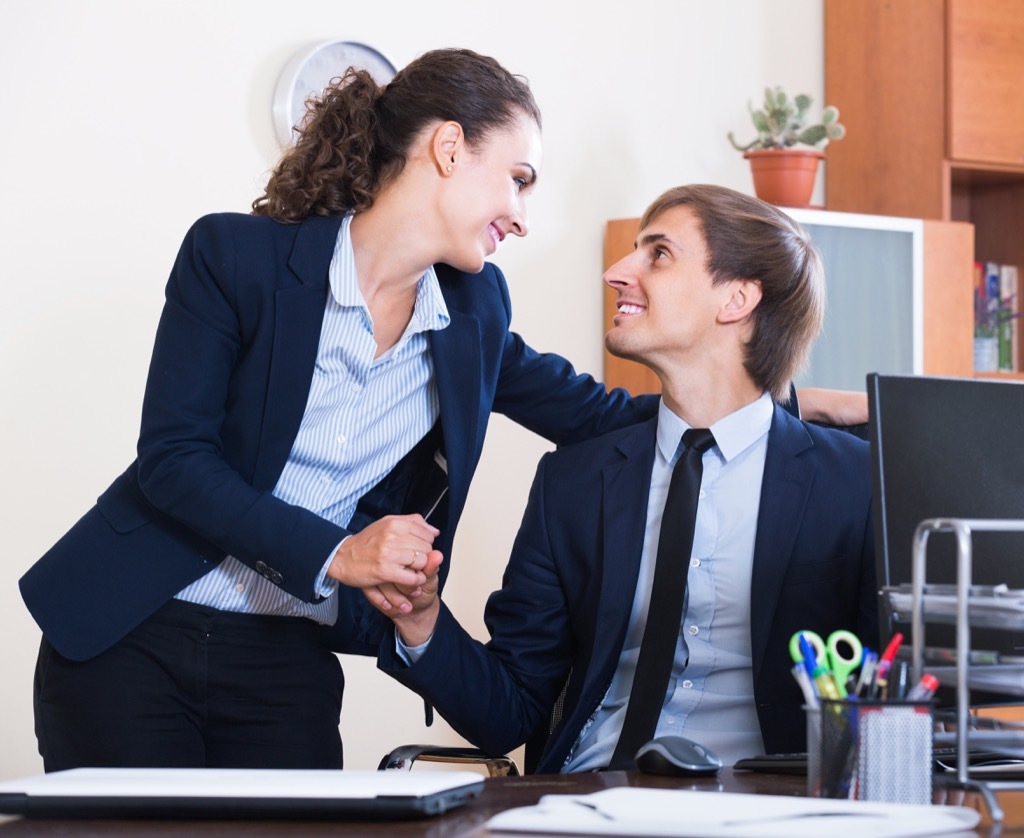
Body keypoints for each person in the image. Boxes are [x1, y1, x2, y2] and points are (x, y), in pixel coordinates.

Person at [20, 45, 860, 772]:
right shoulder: (234, 258)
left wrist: (783, 404)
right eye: (519, 180)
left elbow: (604, 416)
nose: (524, 217)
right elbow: (175, 463)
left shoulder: (473, 310)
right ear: (450, 149)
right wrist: (339, 551)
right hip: (133, 630)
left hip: (286, 652)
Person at [376, 183, 879, 773]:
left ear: (737, 299)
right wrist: (422, 622)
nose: (617, 271)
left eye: (658, 254)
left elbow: (890, 697)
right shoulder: (574, 483)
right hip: (586, 799)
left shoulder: (856, 484)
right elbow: (509, 713)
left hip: (770, 807)